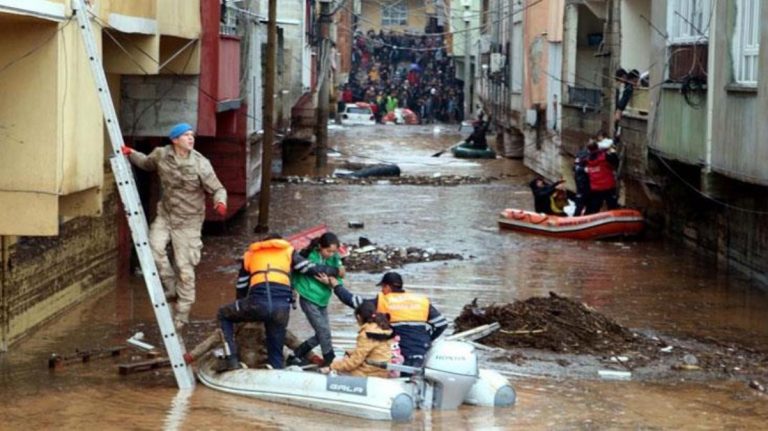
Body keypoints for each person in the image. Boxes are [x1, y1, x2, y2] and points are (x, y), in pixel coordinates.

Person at [121, 123, 227, 330]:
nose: (191, 138)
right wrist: (130, 153)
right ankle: (170, 286)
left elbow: (218, 188)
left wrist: (220, 202)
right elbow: (146, 163)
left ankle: (182, 314)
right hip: (166, 215)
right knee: (154, 248)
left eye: (192, 135)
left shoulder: (200, 163)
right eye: (186, 135)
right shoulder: (161, 154)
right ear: (174, 139)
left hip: (189, 221)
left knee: (185, 267)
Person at [216, 234, 341, 371]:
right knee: (276, 348)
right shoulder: (288, 251)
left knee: (223, 313)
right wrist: (335, 271)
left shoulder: (250, 255)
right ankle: (276, 368)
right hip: (281, 308)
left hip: (257, 303)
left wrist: (242, 310)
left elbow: (241, 286)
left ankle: (231, 359)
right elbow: (310, 269)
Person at [327, 271, 448, 370]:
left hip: (401, 348)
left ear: (388, 287)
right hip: (422, 347)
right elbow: (441, 324)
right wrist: (427, 338)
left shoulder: (383, 301)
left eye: (382, 287)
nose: (381, 291)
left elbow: (354, 301)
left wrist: (336, 286)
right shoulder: (420, 300)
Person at [287, 232, 345, 367]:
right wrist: (293, 289)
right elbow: (294, 272)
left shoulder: (334, 257)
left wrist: (329, 281)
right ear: (320, 247)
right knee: (324, 332)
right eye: (328, 251)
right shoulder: (308, 256)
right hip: (308, 298)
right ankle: (329, 360)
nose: (330, 254)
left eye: (333, 251)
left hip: (323, 299)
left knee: (323, 334)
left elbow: (341, 274)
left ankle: (296, 354)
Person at [319, 301, 397, 378]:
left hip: (370, 373)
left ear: (359, 317)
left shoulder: (366, 333)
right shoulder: (383, 327)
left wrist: (331, 367)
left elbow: (353, 363)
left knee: (335, 369)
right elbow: (372, 350)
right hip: (382, 370)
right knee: (343, 360)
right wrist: (351, 353)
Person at [585, 141, 620, 214]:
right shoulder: (605, 156)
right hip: (608, 186)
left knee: (595, 207)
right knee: (612, 206)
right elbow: (616, 161)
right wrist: (613, 152)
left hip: (596, 188)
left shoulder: (587, 159)